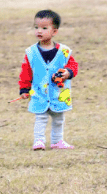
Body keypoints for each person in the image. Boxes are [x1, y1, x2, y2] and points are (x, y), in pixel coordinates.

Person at [18, 10, 78, 150]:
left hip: (58, 93)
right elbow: (26, 73)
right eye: (36, 27)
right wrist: (24, 89)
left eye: (44, 28)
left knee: (58, 119)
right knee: (41, 118)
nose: (39, 31)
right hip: (40, 93)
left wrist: (67, 73)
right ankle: (39, 141)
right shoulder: (31, 53)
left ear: (54, 31)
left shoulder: (64, 51)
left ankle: (57, 141)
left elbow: (73, 66)